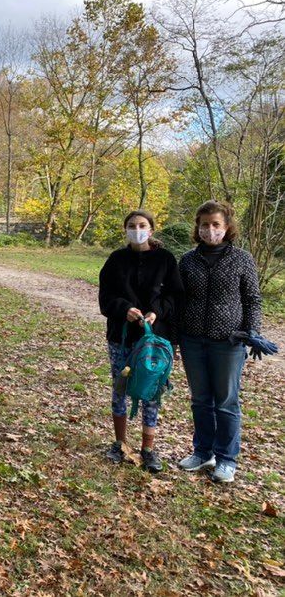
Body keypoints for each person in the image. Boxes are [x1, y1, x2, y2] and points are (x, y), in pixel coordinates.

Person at [177, 201, 265, 484]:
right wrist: (174, 336)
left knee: (226, 402)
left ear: (227, 227)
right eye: (205, 224)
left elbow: (252, 299)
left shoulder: (242, 259)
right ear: (198, 227)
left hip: (228, 342)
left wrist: (251, 332)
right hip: (192, 340)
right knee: (201, 400)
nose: (210, 230)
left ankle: (227, 459)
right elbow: (178, 300)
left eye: (216, 224)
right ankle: (203, 452)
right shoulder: (188, 260)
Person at [98, 210, 183, 473]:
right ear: (125, 230)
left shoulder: (166, 260)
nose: (137, 229)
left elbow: (175, 296)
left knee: (152, 391)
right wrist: (124, 308)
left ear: (152, 230)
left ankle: (148, 448)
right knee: (120, 387)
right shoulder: (115, 260)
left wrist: (157, 311)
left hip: (155, 340)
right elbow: (105, 298)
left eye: (142, 225)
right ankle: (120, 443)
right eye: (132, 226)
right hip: (121, 337)